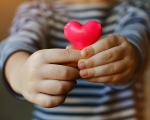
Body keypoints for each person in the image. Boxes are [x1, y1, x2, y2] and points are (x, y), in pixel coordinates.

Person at [0, 0, 149, 119]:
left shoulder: (134, 9)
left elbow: (138, 38)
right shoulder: (37, 11)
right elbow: (15, 45)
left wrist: (131, 57)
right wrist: (21, 73)